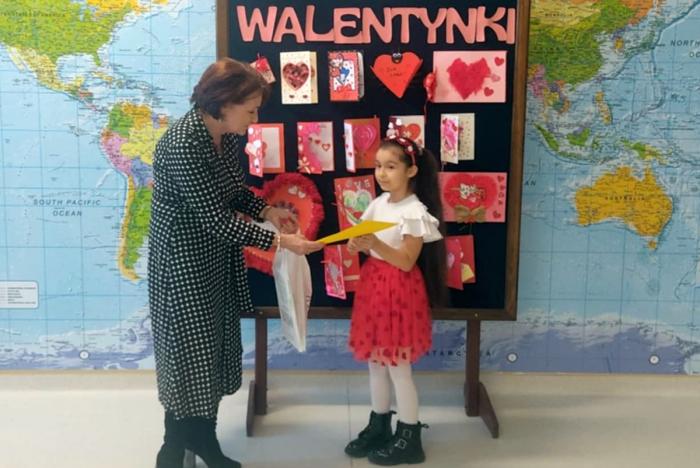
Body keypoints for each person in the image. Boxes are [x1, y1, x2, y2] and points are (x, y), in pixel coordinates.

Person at [148, 58, 322, 468]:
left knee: (209, 348)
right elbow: (214, 217)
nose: (255, 119)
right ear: (223, 103)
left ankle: (199, 438)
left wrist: (267, 210)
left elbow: (231, 191)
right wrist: (279, 241)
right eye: (251, 110)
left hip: (213, 256)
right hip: (182, 263)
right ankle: (174, 446)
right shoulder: (183, 143)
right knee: (187, 352)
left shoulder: (223, 136)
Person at [345, 136, 447, 466]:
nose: (382, 173)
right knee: (376, 363)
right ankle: (380, 425)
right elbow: (366, 241)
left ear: (411, 170)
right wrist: (357, 244)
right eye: (378, 166)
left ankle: (409, 436)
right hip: (374, 286)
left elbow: (405, 261)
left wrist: (374, 243)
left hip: (398, 291)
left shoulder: (414, 212)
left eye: (391, 166)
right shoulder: (379, 203)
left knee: (398, 368)